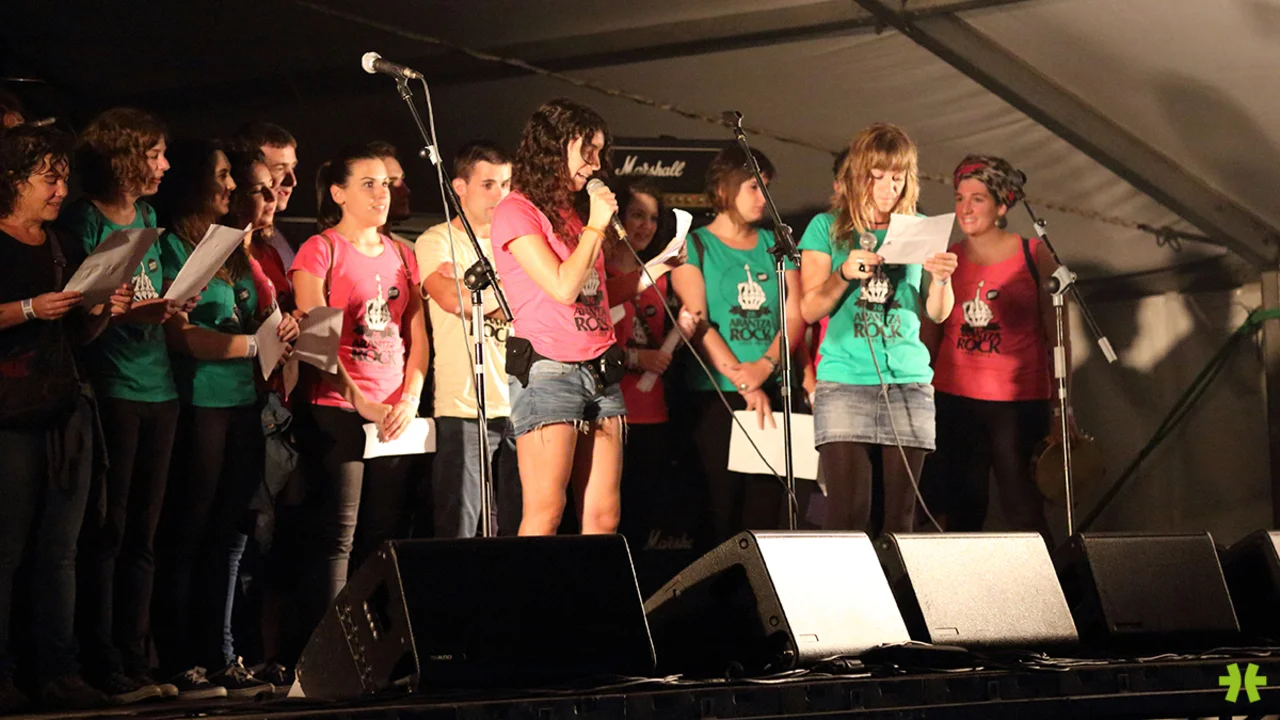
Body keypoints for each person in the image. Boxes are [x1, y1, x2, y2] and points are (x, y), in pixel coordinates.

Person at [491, 98, 680, 537]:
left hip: (599, 369)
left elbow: (597, 295)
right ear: (553, 147)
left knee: (604, 517)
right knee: (547, 512)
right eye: (586, 150)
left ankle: (594, 584)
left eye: (599, 152)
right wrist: (596, 225)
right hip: (549, 369)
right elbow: (562, 287)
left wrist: (658, 267)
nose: (595, 164)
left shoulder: (574, 215)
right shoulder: (517, 210)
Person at [152, 139, 295, 699]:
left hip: (243, 403)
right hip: (201, 403)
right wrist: (250, 346)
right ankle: (177, 658)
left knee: (232, 534)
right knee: (189, 532)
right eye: (222, 175)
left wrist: (280, 331)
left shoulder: (231, 247)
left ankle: (220, 654)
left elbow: (258, 317)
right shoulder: (170, 246)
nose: (231, 186)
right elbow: (180, 335)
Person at [58, 107, 190, 703]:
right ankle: (101, 658)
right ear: (125, 155)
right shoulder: (85, 218)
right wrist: (125, 310)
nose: (164, 165)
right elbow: (85, 310)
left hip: (159, 386)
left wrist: (167, 306)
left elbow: (143, 292)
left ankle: (136, 659)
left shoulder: (149, 216)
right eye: (154, 153)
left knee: (143, 534)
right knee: (106, 533)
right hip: (112, 386)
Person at [0, 124, 133, 713]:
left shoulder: (62, 244)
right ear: (12, 180)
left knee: (61, 549)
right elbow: (32, 314)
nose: (60, 190)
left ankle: (58, 671)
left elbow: (78, 333)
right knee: (7, 549)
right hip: (10, 415)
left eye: (63, 178)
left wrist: (105, 309)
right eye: (47, 178)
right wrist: (30, 308)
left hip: (64, 405)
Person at [290, 146, 428, 628]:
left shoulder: (403, 254)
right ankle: (330, 647)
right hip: (338, 408)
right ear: (338, 193)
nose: (381, 193)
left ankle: (374, 642)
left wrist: (408, 398)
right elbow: (316, 338)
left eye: (385, 184)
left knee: (383, 534)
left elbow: (418, 338)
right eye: (368, 184)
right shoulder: (321, 249)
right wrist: (361, 401)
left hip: (393, 414)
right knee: (338, 536)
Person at [798, 123, 956, 535]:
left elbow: (937, 313)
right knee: (848, 515)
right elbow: (809, 308)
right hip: (845, 380)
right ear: (858, 175)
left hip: (907, 381)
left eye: (897, 178)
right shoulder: (827, 227)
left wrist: (942, 279)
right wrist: (844, 274)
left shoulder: (920, 227)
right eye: (878, 176)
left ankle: (894, 580)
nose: (889, 188)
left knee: (899, 520)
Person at [927, 154, 1073, 534]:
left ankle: (1041, 574)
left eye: (977, 199)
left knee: (1023, 509)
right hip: (955, 400)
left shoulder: (1035, 254)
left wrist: (1063, 405)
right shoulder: (949, 258)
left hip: (1019, 402)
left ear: (1002, 205)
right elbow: (931, 331)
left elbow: (1058, 334)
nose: (965, 208)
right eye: (960, 198)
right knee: (961, 512)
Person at [670, 144, 804, 546]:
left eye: (766, 188)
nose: (763, 198)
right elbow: (697, 321)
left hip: (773, 391)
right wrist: (745, 382)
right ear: (723, 189)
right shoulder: (695, 245)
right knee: (718, 513)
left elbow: (795, 314)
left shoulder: (776, 245)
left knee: (765, 515)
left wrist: (765, 367)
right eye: (753, 187)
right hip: (717, 396)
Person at [416, 140, 519, 537]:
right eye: (488, 185)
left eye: (506, 184)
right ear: (460, 187)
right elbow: (450, 298)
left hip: (521, 402)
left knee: (521, 526)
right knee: (460, 526)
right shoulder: (437, 240)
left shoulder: (518, 241)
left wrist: (479, 292)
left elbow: (542, 298)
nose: (500, 195)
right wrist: (512, 296)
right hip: (465, 405)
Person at [605, 178, 694, 548]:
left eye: (653, 218)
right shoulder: (601, 274)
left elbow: (658, 341)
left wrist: (682, 331)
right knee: (606, 517)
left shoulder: (660, 278)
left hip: (652, 414)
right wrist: (635, 358)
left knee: (641, 518)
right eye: (637, 215)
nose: (645, 226)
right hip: (611, 412)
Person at [234, 123, 300, 273]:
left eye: (293, 167)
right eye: (279, 168)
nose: (292, 181)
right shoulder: (227, 247)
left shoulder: (277, 240)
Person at [368, 141, 413, 245]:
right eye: (389, 183)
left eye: (402, 180)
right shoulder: (335, 249)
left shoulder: (406, 250)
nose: (406, 191)